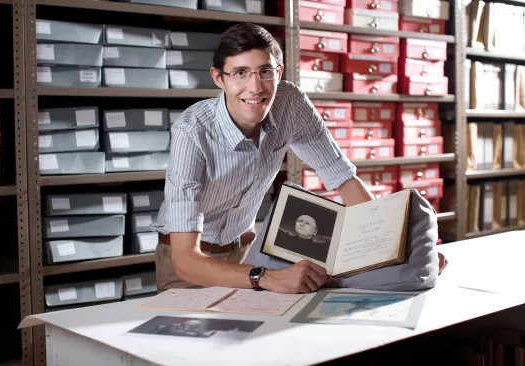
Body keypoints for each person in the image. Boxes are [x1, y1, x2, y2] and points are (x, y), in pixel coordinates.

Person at [152, 23, 447, 294]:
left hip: (248, 253)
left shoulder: (290, 102)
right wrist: (267, 277)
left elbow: (342, 178)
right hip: (192, 266)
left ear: (278, 73)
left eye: (265, 72)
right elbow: (185, 260)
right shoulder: (192, 132)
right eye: (240, 73)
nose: (255, 87)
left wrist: (400, 253)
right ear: (219, 78)